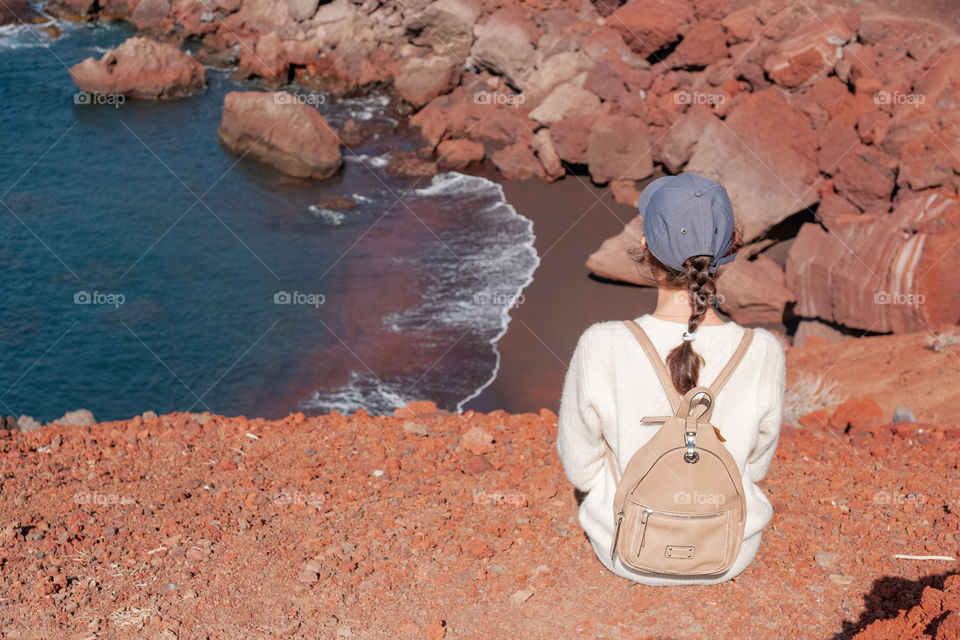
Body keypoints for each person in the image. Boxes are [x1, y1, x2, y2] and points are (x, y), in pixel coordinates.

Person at [557, 173, 787, 585]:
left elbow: (581, 469)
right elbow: (756, 465)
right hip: (729, 550)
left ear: (645, 249)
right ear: (729, 247)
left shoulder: (601, 343)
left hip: (626, 547)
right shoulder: (764, 349)